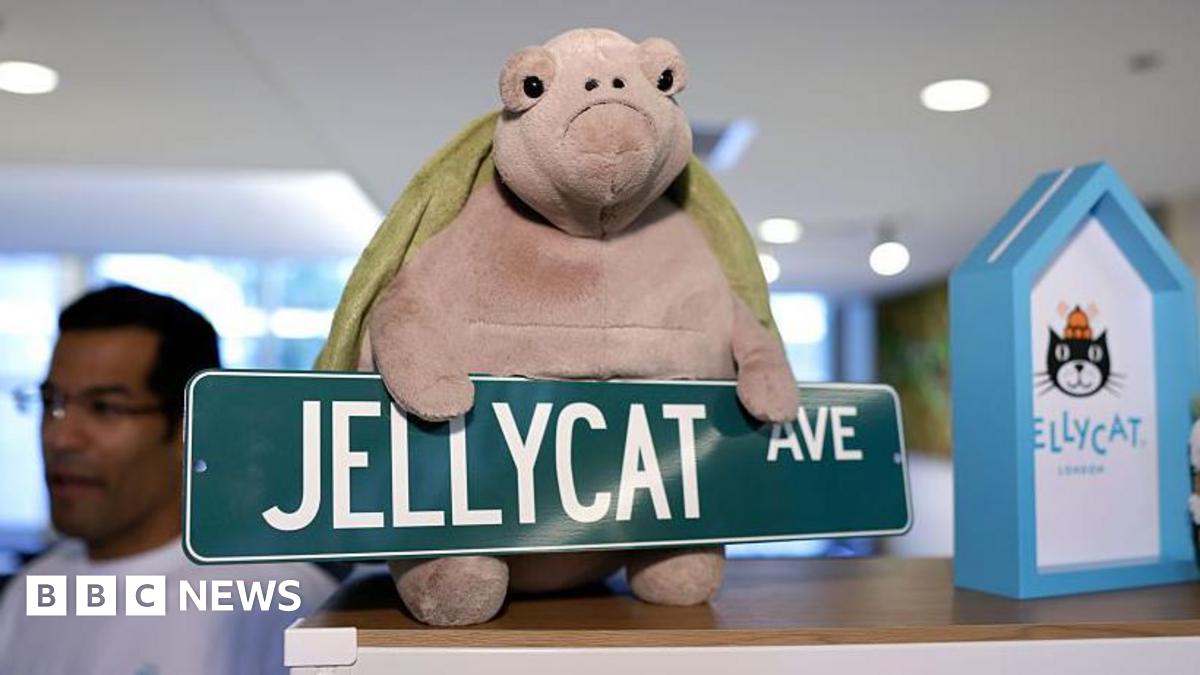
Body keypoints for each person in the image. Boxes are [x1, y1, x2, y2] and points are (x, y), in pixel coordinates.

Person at [0, 285, 339, 675]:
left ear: (188, 429)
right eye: (51, 403)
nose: (59, 438)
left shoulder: (275, 603)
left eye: (105, 407)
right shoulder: (31, 591)